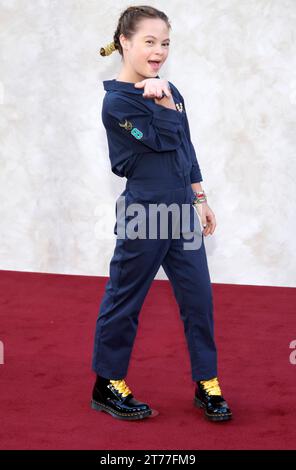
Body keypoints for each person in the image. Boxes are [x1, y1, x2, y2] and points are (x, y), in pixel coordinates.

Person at [91, 5, 232, 422]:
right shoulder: (117, 105)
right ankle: (107, 383)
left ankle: (207, 383)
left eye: (165, 42)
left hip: (183, 213)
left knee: (199, 301)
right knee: (125, 299)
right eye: (149, 42)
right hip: (145, 214)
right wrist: (165, 104)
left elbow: (185, 148)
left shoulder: (171, 91)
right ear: (125, 43)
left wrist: (200, 197)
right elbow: (154, 142)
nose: (159, 51)